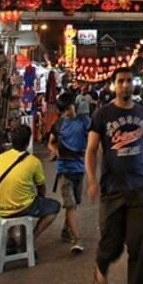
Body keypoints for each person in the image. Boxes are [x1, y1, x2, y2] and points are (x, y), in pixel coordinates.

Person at [86, 66, 143, 284]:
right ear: (114, 85)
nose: (125, 85)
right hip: (112, 190)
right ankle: (100, 267)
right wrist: (92, 180)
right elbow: (91, 150)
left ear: (134, 84)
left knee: (139, 246)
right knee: (111, 245)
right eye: (121, 81)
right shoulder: (102, 115)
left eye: (129, 80)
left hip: (139, 189)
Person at [0, 125, 61, 250]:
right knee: (54, 206)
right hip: (23, 207)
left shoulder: (0, 158)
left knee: (14, 196)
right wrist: (40, 198)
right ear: (28, 142)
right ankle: (30, 239)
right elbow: (41, 188)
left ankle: (9, 239)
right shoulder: (33, 162)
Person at [48, 92, 89, 254]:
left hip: (79, 169)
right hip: (64, 170)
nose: (67, 112)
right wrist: (55, 150)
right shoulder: (58, 124)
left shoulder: (84, 121)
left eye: (69, 108)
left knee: (74, 204)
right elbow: (50, 142)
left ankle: (66, 229)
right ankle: (77, 239)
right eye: (64, 110)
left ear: (75, 105)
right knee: (70, 205)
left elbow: (93, 139)